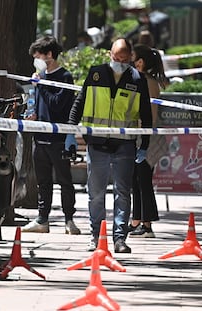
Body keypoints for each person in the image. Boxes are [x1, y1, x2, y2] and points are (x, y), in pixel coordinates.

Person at [68, 38, 152, 253]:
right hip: (97, 143)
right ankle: (96, 236)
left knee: (122, 192)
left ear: (130, 57)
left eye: (124, 59)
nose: (120, 62)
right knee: (95, 193)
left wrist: (145, 145)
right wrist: (70, 130)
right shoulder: (96, 73)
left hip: (125, 145)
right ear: (109, 54)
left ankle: (119, 238)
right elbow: (80, 100)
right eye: (116, 57)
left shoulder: (137, 79)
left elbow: (146, 114)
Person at [22, 35, 81, 235]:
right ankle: (42, 218)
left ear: (49, 55)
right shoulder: (40, 77)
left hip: (59, 138)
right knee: (43, 181)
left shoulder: (64, 77)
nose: (35, 59)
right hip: (40, 137)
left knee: (65, 180)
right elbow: (40, 104)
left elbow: (57, 104)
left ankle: (69, 220)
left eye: (38, 55)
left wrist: (41, 85)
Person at [129, 44, 168, 238]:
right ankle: (136, 220)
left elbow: (150, 116)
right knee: (135, 180)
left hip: (147, 137)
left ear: (140, 62)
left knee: (143, 179)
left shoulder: (149, 82)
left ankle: (147, 223)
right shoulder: (139, 79)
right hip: (138, 135)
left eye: (132, 56)